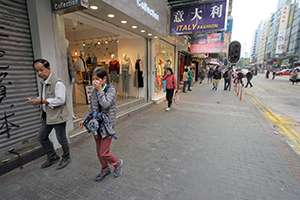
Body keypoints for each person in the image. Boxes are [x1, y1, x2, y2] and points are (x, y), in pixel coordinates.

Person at [78, 67, 123, 181]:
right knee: (99, 151)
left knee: (104, 152)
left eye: (97, 79)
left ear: (104, 79)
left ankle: (117, 162)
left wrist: (99, 90)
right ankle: (105, 169)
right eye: (93, 79)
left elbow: (106, 104)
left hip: (107, 125)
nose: (94, 82)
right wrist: (84, 119)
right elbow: (92, 108)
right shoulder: (93, 91)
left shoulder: (111, 90)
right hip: (96, 124)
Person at [26, 59, 71, 170]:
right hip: (47, 115)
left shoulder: (58, 83)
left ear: (49, 69)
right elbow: (46, 98)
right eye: (37, 71)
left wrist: (41, 101)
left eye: (41, 70)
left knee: (61, 139)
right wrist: (37, 100)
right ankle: (52, 156)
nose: (39, 73)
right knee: (41, 137)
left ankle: (66, 157)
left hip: (58, 115)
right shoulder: (44, 82)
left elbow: (61, 100)